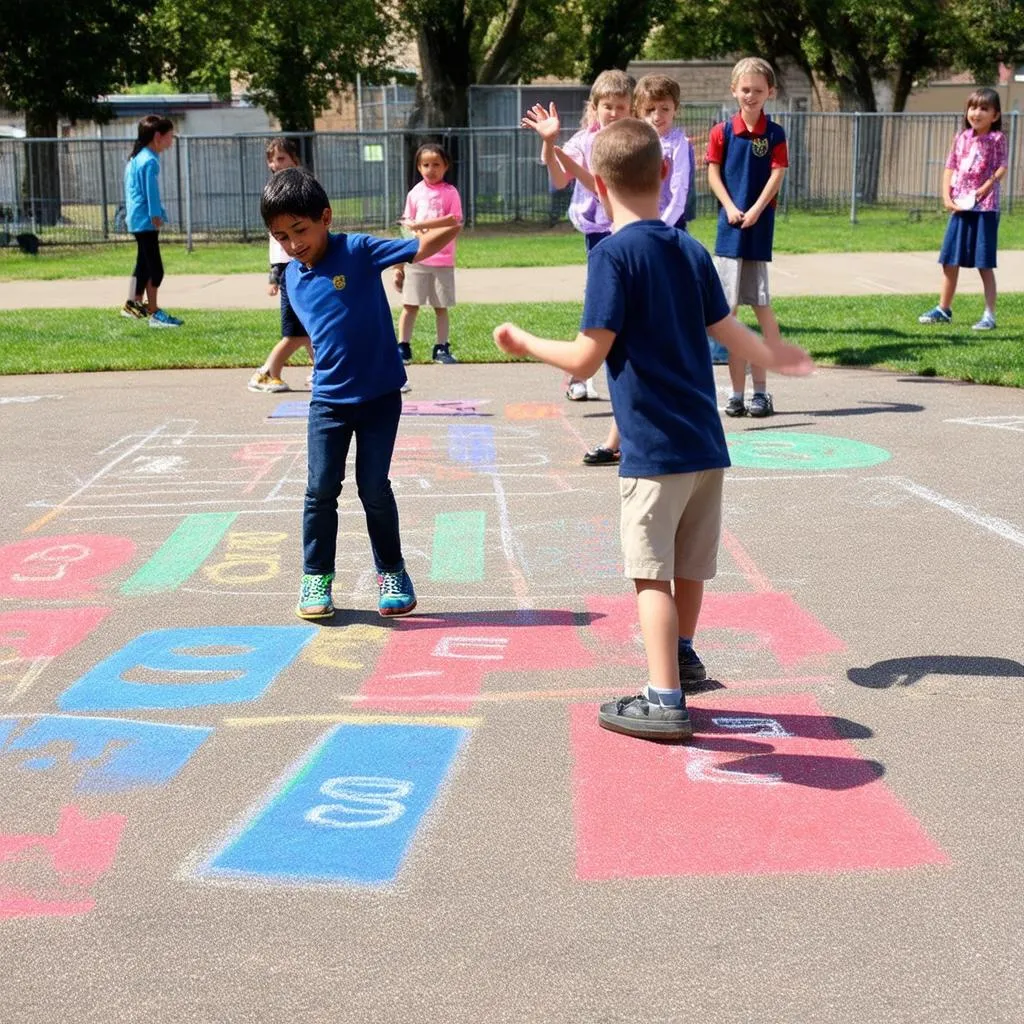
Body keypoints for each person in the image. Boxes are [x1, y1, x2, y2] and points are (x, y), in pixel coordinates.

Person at [493, 118, 812, 740]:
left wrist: (525, 340)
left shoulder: (612, 255)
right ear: (665, 174)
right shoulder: (689, 248)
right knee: (690, 566)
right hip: (704, 444)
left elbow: (587, 357)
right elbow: (729, 332)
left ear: (598, 185)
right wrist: (774, 355)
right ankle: (684, 655)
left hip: (654, 450)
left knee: (650, 574)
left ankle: (663, 695)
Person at [260, 168, 459, 620]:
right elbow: (311, 332)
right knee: (320, 489)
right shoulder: (293, 277)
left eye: (300, 230)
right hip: (328, 402)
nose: (293, 243)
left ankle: (392, 571)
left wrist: (437, 228)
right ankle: (316, 575)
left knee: (374, 487)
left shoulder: (358, 249)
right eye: (281, 236)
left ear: (325, 217)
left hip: (379, 398)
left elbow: (423, 244)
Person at [558, 73, 698, 466]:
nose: (655, 116)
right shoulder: (632, 143)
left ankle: (638, 433)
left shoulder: (670, 146)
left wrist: (658, 232)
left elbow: (678, 193)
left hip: (660, 239)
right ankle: (618, 438)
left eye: (663, 109)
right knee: (629, 336)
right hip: (633, 240)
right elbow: (606, 187)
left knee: (660, 334)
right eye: (648, 110)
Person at [522, 69, 633, 401]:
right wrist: (550, 144)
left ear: (632, 108)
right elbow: (559, 180)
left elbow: (608, 190)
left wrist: (564, 157)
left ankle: (632, 373)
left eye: (621, 107)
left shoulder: (636, 140)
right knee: (601, 303)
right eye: (608, 106)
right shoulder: (584, 141)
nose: (613, 113)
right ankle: (579, 375)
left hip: (631, 228)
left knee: (633, 305)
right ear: (595, 107)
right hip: (599, 234)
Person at [706, 57, 789, 418]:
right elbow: (713, 174)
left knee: (760, 305)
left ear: (770, 92)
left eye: (758, 90)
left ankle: (762, 393)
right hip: (729, 232)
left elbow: (777, 173)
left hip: (758, 232)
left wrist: (756, 209)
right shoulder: (722, 131)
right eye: (745, 89)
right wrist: (729, 206)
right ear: (733, 90)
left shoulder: (774, 134)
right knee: (730, 316)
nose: (750, 95)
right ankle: (736, 394)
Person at [918, 88, 1007, 332]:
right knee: (949, 260)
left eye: (984, 109)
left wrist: (988, 186)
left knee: (983, 262)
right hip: (960, 205)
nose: (976, 113)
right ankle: (943, 309)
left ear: (995, 115)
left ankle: (989, 314)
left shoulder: (997, 139)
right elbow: (950, 167)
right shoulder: (961, 137)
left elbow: (1002, 166)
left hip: (984, 209)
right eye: (973, 107)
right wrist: (946, 196)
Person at [248, 138, 314, 393]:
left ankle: (321, 372)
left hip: (299, 263)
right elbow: (276, 242)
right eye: (273, 159)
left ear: (294, 160)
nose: (277, 164)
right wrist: (274, 274)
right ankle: (267, 372)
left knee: (307, 327)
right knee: (298, 332)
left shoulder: (298, 189)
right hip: (287, 267)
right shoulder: (274, 194)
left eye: (282, 158)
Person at [393, 143, 462, 366]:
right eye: (425, 165)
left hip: (442, 260)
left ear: (446, 166)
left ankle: (441, 347)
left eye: (436, 164)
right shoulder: (415, 194)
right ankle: (403, 347)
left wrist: (422, 223)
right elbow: (406, 226)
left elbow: (454, 220)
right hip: (418, 258)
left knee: (440, 307)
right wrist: (399, 265)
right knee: (410, 305)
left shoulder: (450, 192)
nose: (430, 169)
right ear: (419, 167)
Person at [120, 115, 182, 328]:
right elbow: (151, 192)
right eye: (170, 136)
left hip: (136, 218)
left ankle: (133, 305)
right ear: (158, 137)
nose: (171, 141)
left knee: (143, 265)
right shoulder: (149, 160)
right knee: (156, 269)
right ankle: (154, 312)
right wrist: (156, 215)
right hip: (145, 220)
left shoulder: (136, 159)